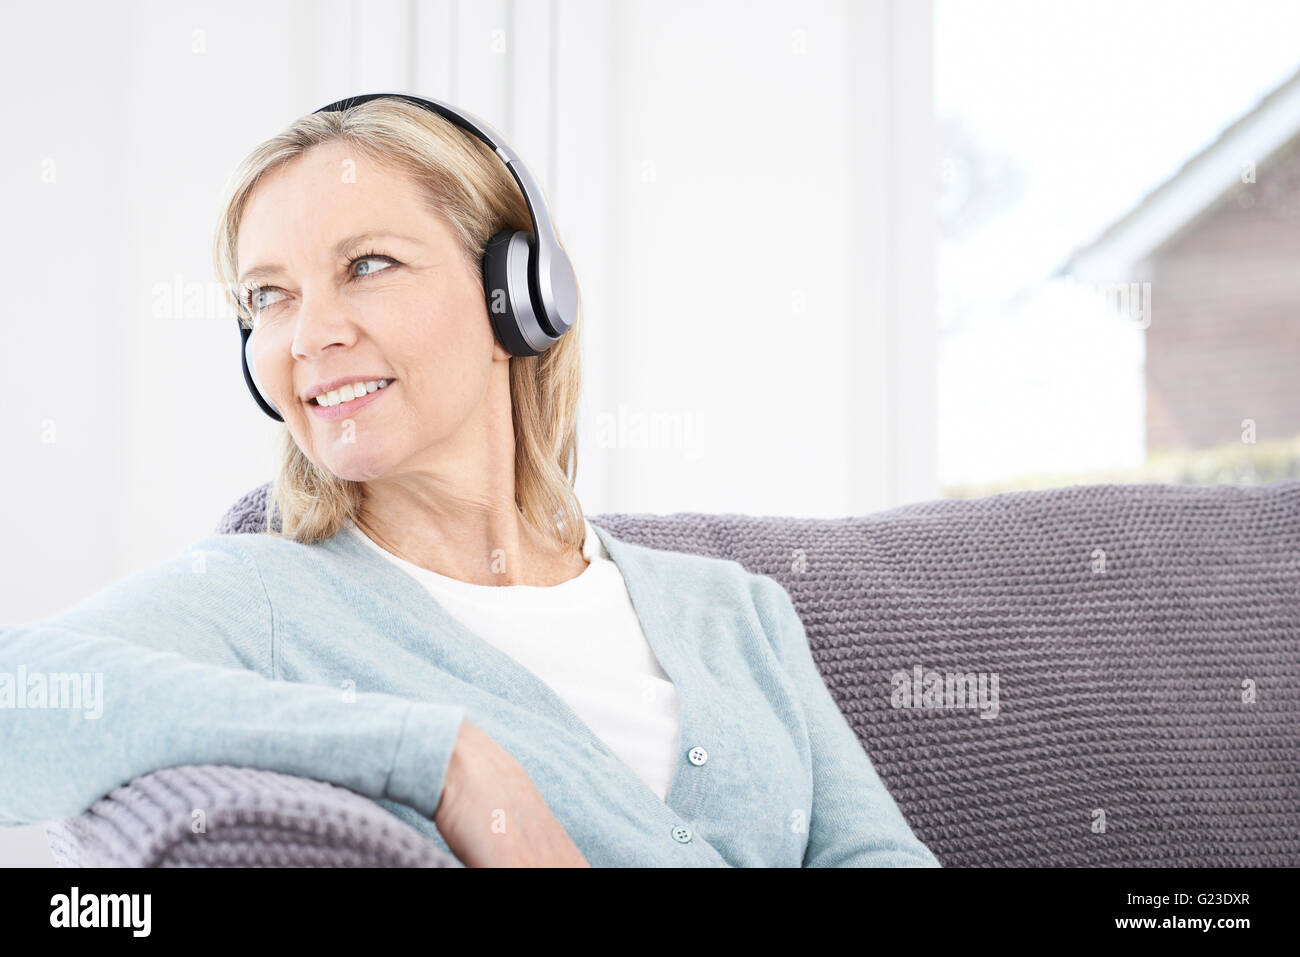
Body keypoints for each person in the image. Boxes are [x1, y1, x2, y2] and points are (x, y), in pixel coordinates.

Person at [0, 95, 940, 868]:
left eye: (365, 266)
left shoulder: (736, 610)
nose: (307, 334)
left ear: (518, 296)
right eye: (268, 296)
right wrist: (437, 755)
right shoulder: (265, 597)